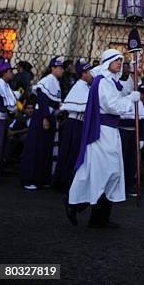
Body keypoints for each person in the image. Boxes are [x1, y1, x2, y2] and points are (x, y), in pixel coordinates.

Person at [65, 49, 141, 228]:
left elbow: (120, 96)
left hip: (111, 131)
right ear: (107, 62)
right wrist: (131, 99)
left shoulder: (111, 82)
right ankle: (76, 204)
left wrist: (130, 94)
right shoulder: (103, 82)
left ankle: (98, 217)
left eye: (121, 61)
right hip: (102, 132)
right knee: (103, 171)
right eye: (117, 61)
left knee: (110, 172)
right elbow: (113, 106)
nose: (120, 64)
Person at [20, 57, 63, 190]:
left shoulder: (55, 81)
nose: (61, 70)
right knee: (36, 148)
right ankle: (30, 179)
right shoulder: (47, 80)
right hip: (42, 117)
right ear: (52, 68)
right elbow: (42, 99)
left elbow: (54, 102)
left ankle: (41, 178)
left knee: (45, 149)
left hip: (49, 116)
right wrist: (45, 117)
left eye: (62, 68)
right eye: (59, 68)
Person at [53, 58, 93, 190]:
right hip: (74, 123)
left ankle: (66, 179)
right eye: (88, 72)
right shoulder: (80, 86)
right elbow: (80, 107)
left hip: (78, 123)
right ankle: (63, 180)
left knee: (73, 151)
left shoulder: (85, 86)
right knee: (70, 151)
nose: (90, 74)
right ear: (83, 74)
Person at [118, 70, 144, 197]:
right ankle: (118, 185)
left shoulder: (138, 102)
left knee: (132, 161)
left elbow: (143, 122)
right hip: (120, 133)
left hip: (133, 135)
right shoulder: (120, 99)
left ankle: (129, 185)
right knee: (119, 160)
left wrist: (142, 138)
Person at [0, 59, 17, 179]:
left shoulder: (7, 85)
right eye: (10, 71)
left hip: (3, 120)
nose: (12, 74)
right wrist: (8, 108)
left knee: (1, 148)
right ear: (4, 72)